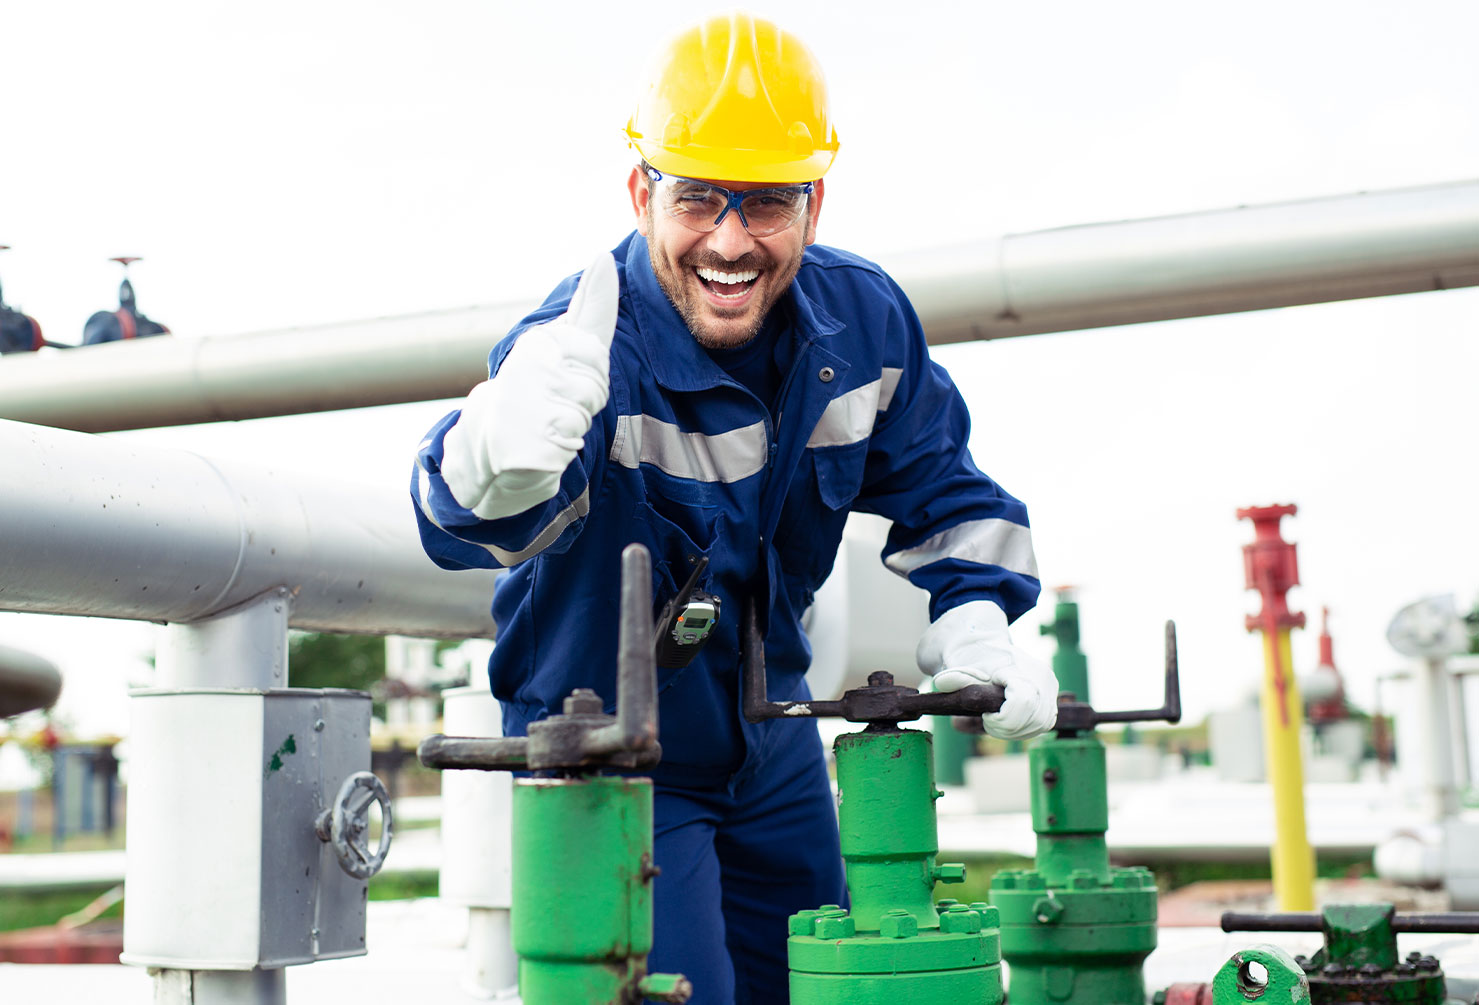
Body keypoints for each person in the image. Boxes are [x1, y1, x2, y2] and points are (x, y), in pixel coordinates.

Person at [412, 12, 1056, 1002]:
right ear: (642, 193)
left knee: (826, 983)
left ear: (814, 204)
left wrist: (977, 616)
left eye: (764, 205)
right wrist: (488, 462)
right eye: (698, 198)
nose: (728, 241)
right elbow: (465, 520)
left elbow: (948, 489)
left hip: (774, 739)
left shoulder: (863, 324)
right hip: (611, 759)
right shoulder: (580, 348)